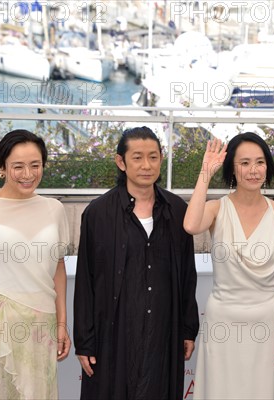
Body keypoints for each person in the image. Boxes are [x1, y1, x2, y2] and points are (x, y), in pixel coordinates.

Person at [73, 126, 199, 399]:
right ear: (121, 162)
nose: (146, 165)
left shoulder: (177, 211)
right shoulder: (98, 213)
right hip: (113, 333)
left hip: (163, 331)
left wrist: (188, 328)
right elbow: (86, 280)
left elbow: (188, 274)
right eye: (137, 157)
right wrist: (84, 341)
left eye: (153, 157)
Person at [184, 133, 274, 400]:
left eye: (260, 162)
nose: (253, 171)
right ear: (232, 167)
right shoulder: (216, 209)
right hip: (223, 321)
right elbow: (190, 225)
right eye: (244, 163)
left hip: (266, 322)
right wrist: (205, 172)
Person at [0, 129, 71, 399]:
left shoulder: (55, 209)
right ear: (1, 168)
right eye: (18, 166)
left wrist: (62, 323)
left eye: (35, 165)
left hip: (41, 324)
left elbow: (58, 268)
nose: (28, 174)